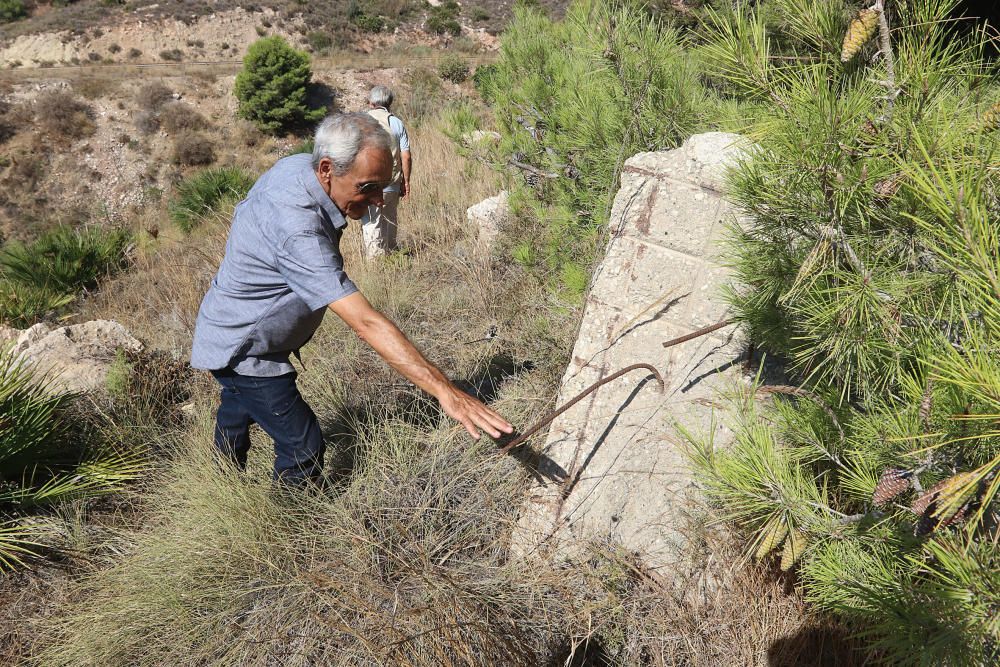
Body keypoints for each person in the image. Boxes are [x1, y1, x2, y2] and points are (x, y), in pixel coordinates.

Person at [190, 113, 511, 484]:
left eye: (384, 186)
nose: (377, 200)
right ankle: (288, 523)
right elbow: (365, 322)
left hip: (228, 326)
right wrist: (445, 391)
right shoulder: (298, 229)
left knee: (236, 407)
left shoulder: (298, 168)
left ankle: (222, 482)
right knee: (302, 444)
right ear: (327, 168)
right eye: (367, 187)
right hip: (246, 349)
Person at [360, 85, 411, 258]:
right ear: (389, 103)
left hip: (368, 184)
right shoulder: (396, 122)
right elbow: (406, 156)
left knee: (372, 222)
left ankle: (377, 265)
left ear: (371, 102)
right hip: (392, 182)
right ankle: (392, 258)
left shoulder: (361, 121)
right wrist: (406, 181)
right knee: (389, 221)